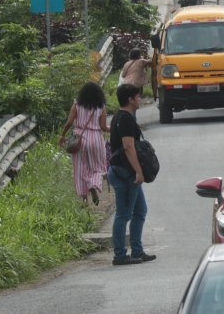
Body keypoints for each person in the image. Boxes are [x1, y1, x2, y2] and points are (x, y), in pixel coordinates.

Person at [107, 84, 156, 265]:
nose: (140, 100)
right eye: (137, 97)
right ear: (130, 99)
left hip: (123, 171)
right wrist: (138, 171)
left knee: (140, 211)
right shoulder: (125, 119)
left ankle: (137, 251)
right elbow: (128, 147)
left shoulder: (119, 117)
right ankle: (119, 255)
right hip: (126, 173)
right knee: (124, 215)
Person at [58, 82, 109, 205]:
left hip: (79, 139)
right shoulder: (101, 107)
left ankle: (84, 199)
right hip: (96, 139)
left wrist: (62, 135)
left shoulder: (77, 105)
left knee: (81, 169)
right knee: (98, 168)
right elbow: (103, 127)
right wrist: (114, 129)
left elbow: (69, 122)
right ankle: (93, 184)